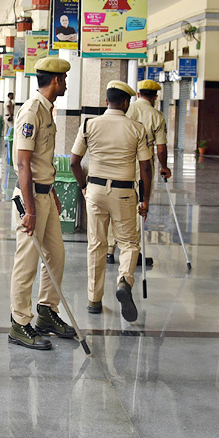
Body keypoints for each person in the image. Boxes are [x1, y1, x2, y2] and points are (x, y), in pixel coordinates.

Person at [7, 56, 77, 349]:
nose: (65, 84)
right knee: (27, 263)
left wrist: (54, 194)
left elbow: (42, 160)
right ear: (57, 80)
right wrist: (31, 210)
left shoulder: (47, 110)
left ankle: (47, 312)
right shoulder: (32, 111)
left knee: (56, 256)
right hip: (30, 198)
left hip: (45, 194)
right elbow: (23, 164)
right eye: (63, 80)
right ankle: (19, 323)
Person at [70, 80, 152, 322]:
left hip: (94, 189)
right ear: (126, 103)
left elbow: (74, 162)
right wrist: (145, 199)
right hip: (124, 192)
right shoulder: (137, 128)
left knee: (96, 244)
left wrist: (84, 187)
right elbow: (145, 167)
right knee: (128, 243)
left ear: (106, 101)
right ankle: (124, 281)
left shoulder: (89, 125)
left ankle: (93, 300)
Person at [125, 78, 171, 269]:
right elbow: (161, 147)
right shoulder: (157, 116)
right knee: (140, 202)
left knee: (120, 201)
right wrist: (164, 166)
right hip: (144, 162)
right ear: (155, 97)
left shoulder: (126, 109)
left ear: (138, 94)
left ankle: (111, 250)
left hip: (124, 159)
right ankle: (134, 252)